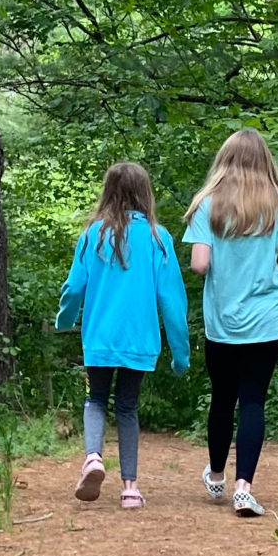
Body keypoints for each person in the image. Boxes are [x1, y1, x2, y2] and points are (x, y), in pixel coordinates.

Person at [182, 128, 278, 518]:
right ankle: (244, 489)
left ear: (225, 162)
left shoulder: (208, 205)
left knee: (222, 399)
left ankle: (218, 476)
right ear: (265, 162)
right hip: (267, 321)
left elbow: (199, 263)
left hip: (222, 321)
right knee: (254, 400)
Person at [54, 161, 190, 509]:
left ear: (108, 193)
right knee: (127, 407)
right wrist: (180, 353)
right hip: (140, 340)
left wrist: (64, 319)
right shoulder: (159, 240)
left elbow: (74, 288)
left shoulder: (92, 235)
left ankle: (94, 457)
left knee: (96, 399)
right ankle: (130, 488)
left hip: (99, 338)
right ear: (145, 195)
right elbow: (171, 300)